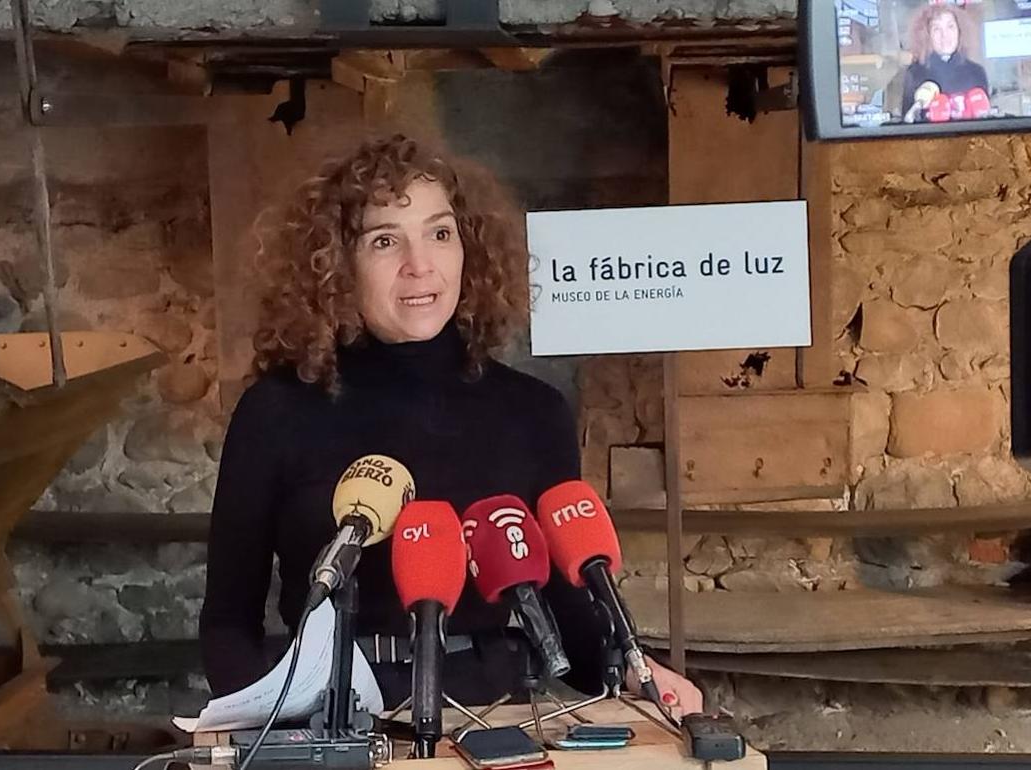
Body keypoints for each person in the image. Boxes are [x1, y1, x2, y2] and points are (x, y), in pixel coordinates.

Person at [198, 133, 702, 721]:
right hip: (336, 719)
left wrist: (640, 673)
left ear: (470, 251)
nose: (421, 265)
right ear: (336, 263)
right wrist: (273, 725)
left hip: (501, 716)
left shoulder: (533, 412)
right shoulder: (277, 412)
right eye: (385, 241)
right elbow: (228, 622)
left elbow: (572, 614)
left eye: (440, 233)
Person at [899, 4, 991, 122]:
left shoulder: (976, 72)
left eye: (950, 27)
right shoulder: (915, 73)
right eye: (937, 29)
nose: (945, 35)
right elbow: (907, 125)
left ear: (960, 31)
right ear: (927, 35)